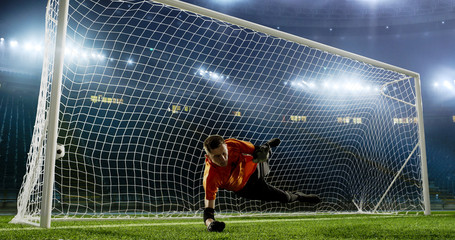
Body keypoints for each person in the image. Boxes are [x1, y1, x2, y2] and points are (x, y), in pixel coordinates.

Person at [202, 135, 321, 232]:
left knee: (261, 153)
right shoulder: (210, 177)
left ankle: (267, 146)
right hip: (245, 189)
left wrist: (262, 152)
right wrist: (211, 225)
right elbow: (208, 213)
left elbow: (254, 149)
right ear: (208, 156)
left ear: (226, 147)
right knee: (285, 198)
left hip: (254, 170)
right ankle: (299, 196)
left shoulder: (233, 144)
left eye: (224, 153)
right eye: (217, 156)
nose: (223, 159)